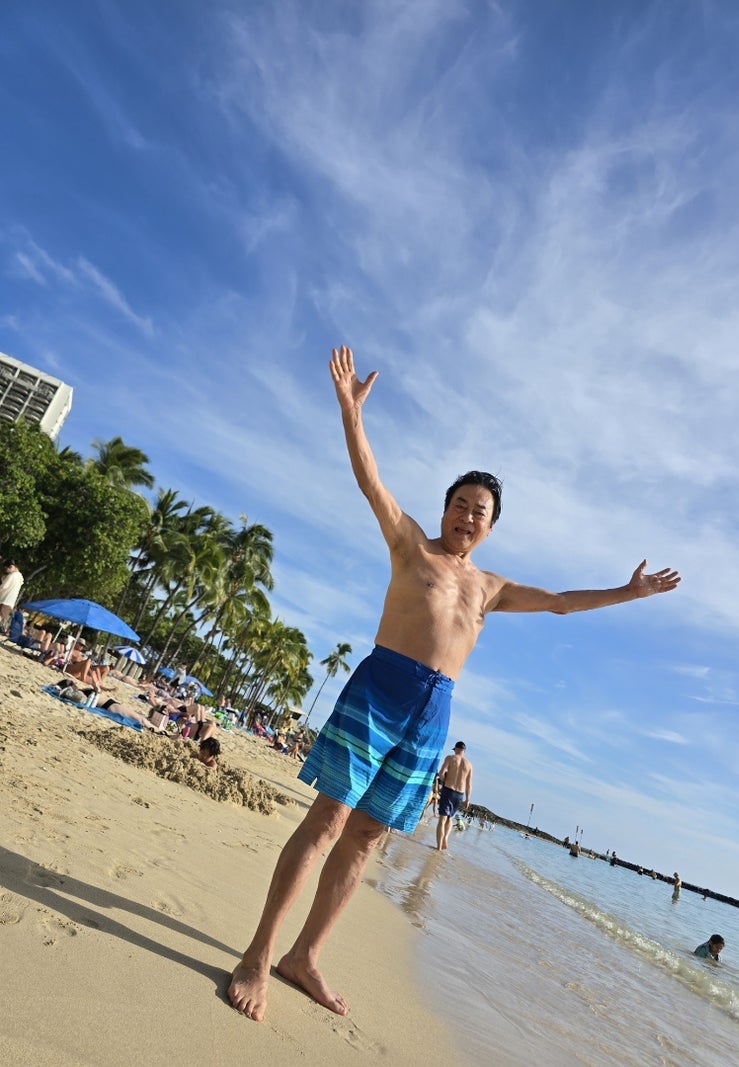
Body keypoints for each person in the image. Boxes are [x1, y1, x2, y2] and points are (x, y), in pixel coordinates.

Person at [227, 344, 681, 1024]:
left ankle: (305, 955)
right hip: (382, 684)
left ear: (491, 526)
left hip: (432, 711)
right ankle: (260, 953)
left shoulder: (492, 586)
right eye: (461, 503)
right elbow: (370, 481)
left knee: (367, 836)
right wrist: (352, 412)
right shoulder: (412, 545)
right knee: (328, 820)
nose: (469, 515)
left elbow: (559, 600)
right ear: (444, 510)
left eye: (481, 511)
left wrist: (627, 590)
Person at [435, 742, 472, 851]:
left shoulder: (450, 758)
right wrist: (468, 799)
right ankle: (445, 838)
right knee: (450, 818)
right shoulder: (469, 765)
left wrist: (444, 782)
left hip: (448, 790)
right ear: (464, 751)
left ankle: (439, 847)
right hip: (459, 795)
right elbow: (469, 784)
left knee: (442, 819)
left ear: (456, 749)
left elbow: (441, 773)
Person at [0, 560, 24, 633]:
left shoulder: (12, 575)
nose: (6, 571)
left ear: (11, 567)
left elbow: (3, 587)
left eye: (6, 569)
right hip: (10, 603)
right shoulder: (20, 577)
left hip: (4, 600)